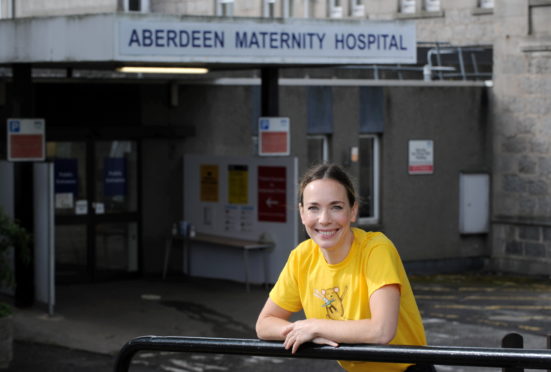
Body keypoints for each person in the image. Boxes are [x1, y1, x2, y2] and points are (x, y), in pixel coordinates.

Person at [256, 163, 432, 372]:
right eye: (314, 208)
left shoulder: (375, 249)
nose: (324, 219)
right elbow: (264, 324)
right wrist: (304, 331)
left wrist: (315, 326)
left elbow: (382, 330)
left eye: (336, 207)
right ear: (302, 213)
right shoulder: (302, 257)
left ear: (353, 211)